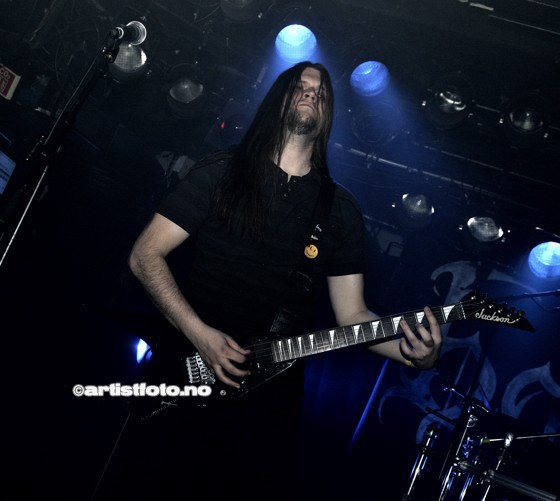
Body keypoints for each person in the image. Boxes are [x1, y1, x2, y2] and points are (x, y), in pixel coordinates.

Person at [94, 61, 442, 500]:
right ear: (278, 100)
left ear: (328, 116)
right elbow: (145, 255)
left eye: (321, 93)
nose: (311, 94)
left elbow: (353, 315)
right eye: (300, 86)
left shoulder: (339, 211)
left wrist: (413, 355)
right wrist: (200, 335)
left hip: (267, 398)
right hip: (185, 370)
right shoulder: (222, 172)